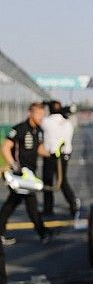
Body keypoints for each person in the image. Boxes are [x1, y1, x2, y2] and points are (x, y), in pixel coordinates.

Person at [0, 103, 49, 245]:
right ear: (30, 113)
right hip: (19, 175)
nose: (41, 117)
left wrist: (52, 153)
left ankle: (1, 232)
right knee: (30, 204)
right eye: (39, 114)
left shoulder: (39, 131)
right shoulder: (20, 129)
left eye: (42, 114)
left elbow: (39, 149)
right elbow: (5, 147)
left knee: (12, 204)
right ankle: (43, 233)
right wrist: (15, 166)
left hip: (30, 175)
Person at [41, 101, 79, 217]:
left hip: (51, 155)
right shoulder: (67, 123)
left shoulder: (46, 121)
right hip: (64, 155)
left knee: (48, 181)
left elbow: (40, 124)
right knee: (62, 181)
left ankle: (48, 208)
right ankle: (73, 203)